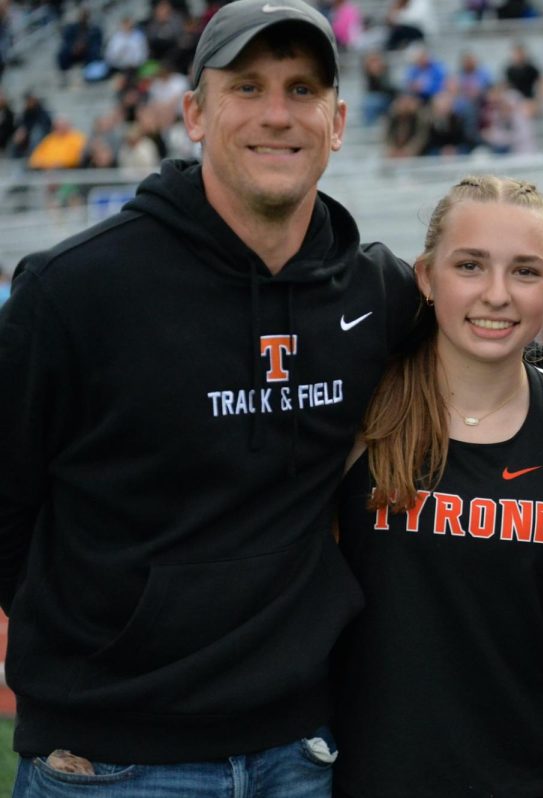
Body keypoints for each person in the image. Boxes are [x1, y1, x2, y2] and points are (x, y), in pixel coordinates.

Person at [0, 1, 424, 794]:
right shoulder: (74, 291)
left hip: (301, 750)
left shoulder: (370, 288)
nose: (277, 114)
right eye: (248, 87)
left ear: (336, 123)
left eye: (302, 91)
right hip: (110, 762)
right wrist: (106, 644)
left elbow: (492, 347)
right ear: (194, 113)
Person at [332, 175, 543, 798]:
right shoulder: (360, 411)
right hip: (378, 777)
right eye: (470, 265)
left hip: (542, 777)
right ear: (428, 278)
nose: (497, 294)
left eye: (524, 271)